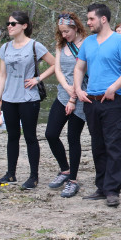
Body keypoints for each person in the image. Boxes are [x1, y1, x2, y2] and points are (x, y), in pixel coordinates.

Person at [73, 3, 121, 207]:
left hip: (114, 101)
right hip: (91, 101)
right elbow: (79, 68)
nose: (88, 22)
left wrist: (113, 87)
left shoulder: (120, 41)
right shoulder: (88, 42)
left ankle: (112, 190)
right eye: (88, 19)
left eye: (91, 19)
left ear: (103, 19)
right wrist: (78, 89)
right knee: (97, 145)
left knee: (114, 145)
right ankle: (101, 187)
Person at [0, 11, 56, 190]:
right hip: (9, 99)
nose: (9, 27)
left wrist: (38, 79)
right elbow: (2, 75)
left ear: (24, 26)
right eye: (8, 23)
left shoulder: (35, 46)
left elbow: (54, 64)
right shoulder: (5, 48)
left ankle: (33, 177)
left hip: (29, 99)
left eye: (13, 24)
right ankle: (10, 173)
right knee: (12, 136)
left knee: (30, 137)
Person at [45, 12, 88, 198]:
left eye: (67, 31)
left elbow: (84, 71)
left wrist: (74, 96)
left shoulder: (86, 44)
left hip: (81, 96)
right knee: (51, 133)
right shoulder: (61, 44)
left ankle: (73, 180)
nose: (64, 35)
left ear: (75, 28)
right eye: (61, 31)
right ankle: (65, 169)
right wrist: (66, 88)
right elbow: (58, 69)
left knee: (73, 137)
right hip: (64, 94)